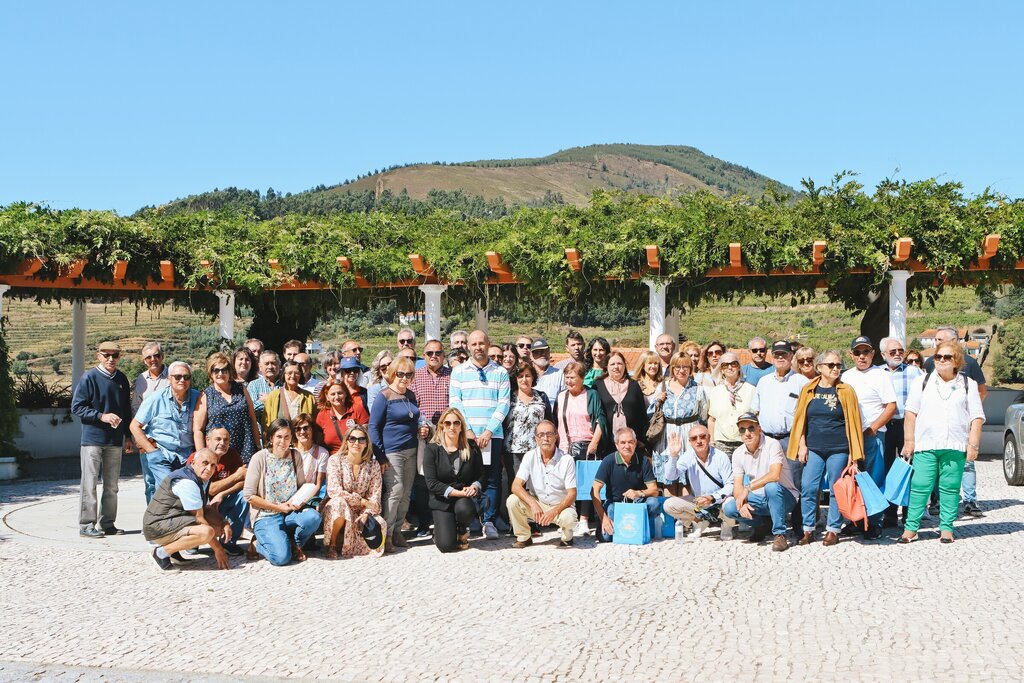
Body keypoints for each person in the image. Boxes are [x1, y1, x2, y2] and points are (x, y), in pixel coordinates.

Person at [899, 341, 985, 544]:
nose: (941, 360)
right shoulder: (922, 381)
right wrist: (909, 441)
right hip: (926, 444)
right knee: (920, 485)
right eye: (938, 357)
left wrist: (973, 445)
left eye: (947, 357)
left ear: (956, 361)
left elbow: (977, 417)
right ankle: (911, 528)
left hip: (955, 444)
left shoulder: (968, 384)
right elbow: (910, 413)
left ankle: (946, 528)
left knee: (950, 487)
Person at [787, 350, 865, 546]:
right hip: (813, 447)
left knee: (836, 489)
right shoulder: (808, 390)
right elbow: (800, 421)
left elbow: (854, 423)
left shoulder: (846, 391)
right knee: (808, 487)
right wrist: (802, 444)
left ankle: (833, 529)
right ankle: (808, 529)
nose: (836, 368)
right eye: (831, 365)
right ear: (819, 368)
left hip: (839, 448)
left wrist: (853, 455)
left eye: (838, 365)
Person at [448, 330, 511, 540]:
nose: (478, 347)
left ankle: (489, 520)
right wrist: (468, 431)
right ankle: (471, 519)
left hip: (492, 435)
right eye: (473, 344)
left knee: (492, 479)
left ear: (488, 344)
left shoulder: (500, 372)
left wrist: (488, 431)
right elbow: (455, 403)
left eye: (481, 343)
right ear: (467, 346)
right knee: (466, 477)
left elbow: (504, 404)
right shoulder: (458, 372)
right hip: (466, 436)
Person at [922, 325, 988, 518]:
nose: (936, 343)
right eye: (935, 340)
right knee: (937, 461)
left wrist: (967, 410)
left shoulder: (970, 363)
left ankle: (969, 500)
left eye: (940, 340)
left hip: (962, 423)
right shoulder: (930, 363)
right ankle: (938, 501)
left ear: (954, 341)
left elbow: (982, 391)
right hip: (936, 424)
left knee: (967, 462)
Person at [71, 340, 131, 538]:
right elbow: (77, 407)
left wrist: (128, 436)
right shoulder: (89, 377)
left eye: (115, 355)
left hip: (115, 441)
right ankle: (87, 524)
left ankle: (108, 523)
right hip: (92, 440)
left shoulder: (122, 379)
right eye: (106, 355)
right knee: (89, 484)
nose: (111, 359)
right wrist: (101, 416)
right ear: (99, 356)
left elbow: (126, 411)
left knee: (112, 486)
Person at [243, 418, 321, 565]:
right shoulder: (259, 458)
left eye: (287, 437)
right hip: (267, 515)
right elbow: (249, 495)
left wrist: (301, 500)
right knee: (281, 558)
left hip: (290, 512)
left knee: (313, 517)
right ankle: (257, 544)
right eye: (279, 436)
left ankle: (294, 543)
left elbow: (301, 486)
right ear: (271, 437)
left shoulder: (295, 455)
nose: (283, 441)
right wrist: (278, 507)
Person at [840, 336, 896, 538]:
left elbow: (891, 406)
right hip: (850, 437)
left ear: (872, 354)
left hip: (872, 435)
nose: (861, 356)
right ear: (851, 355)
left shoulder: (880, 376)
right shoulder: (845, 376)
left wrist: (873, 428)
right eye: (857, 352)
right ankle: (856, 520)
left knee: (874, 479)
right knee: (853, 478)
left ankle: (874, 522)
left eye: (865, 352)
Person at [143, 448, 231, 571]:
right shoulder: (187, 482)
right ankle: (161, 553)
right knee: (207, 532)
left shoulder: (200, 477)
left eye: (213, 465)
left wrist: (224, 523)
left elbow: (205, 508)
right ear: (193, 463)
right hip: (157, 527)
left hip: (171, 520)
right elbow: (199, 519)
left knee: (218, 528)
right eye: (205, 463)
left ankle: (173, 550)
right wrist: (218, 549)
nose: (209, 469)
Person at [722, 413, 799, 551]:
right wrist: (742, 503)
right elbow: (738, 484)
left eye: (751, 428)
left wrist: (748, 488)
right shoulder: (738, 453)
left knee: (771, 487)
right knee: (730, 508)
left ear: (759, 429)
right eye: (742, 430)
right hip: (759, 498)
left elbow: (774, 475)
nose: (747, 433)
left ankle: (780, 535)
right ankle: (761, 525)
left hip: (784, 497)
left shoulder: (772, 444)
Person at [368, 356, 420, 551]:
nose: (404, 378)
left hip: (411, 450)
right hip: (391, 452)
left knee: (406, 493)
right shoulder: (384, 396)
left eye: (408, 374)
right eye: (400, 374)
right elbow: (373, 427)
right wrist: (380, 456)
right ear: (392, 374)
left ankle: (398, 531)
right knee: (394, 491)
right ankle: (386, 533)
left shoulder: (411, 396)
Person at [554, 361, 608, 537]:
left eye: (573, 378)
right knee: (567, 484)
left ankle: (584, 519)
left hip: (587, 443)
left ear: (582, 378)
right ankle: (567, 518)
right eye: (567, 377)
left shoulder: (591, 394)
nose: (569, 381)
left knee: (585, 484)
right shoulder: (562, 396)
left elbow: (600, 419)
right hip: (565, 445)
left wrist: (595, 442)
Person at [130, 361, 200, 495]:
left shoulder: (198, 398)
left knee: (190, 493)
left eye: (186, 377)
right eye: (177, 377)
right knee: (168, 492)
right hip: (163, 454)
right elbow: (134, 426)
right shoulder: (155, 398)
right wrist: (152, 451)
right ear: (169, 378)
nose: (182, 380)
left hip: (188, 456)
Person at [507, 420, 578, 548]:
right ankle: (524, 537)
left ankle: (567, 536)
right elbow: (516, 486)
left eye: (549, 434)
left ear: (556, 436)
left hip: (560, 506)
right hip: (539, 504)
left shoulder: (567, 460)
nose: (545, 438)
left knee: (569, 517)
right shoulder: (529, 456)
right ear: (536, 438)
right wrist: (533, 503)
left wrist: (554, 511)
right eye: (541, 435)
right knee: (512, 501)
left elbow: (572, 493)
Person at [423, 408, 484, 552]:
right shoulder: (432, 449)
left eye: (456, 423)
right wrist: (457, 493)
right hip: (441, 500)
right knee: (446, 546)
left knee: (465, 510)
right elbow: (431, 483)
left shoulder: (471, 446)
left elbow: (481, 474)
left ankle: (462, 530)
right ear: (442, 426)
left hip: (463, 501)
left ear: (461, 426)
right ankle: (441, 530)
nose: (452, 427)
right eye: (448, 423)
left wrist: (474, 486)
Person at [879, 336, 924, 526]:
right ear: (883, 355)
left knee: (910, 469)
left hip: (907, 424)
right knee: (887, 469)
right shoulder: (877, 373)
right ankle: (889, 514)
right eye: (892, 352)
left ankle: (908, 514)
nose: (898, 354)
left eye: (900, 351)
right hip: (884, 426)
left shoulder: (915, 372)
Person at [322, 425, 386, 559]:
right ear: (346, 441)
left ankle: (349, 544)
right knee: (339, 504)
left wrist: (366, 513)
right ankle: (332, 545)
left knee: (379, 523)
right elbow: (334, 490)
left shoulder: (372, 465)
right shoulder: (335, 460)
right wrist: (361, 501)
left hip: (362, 510)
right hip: (340, 506)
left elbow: (375, 495)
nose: (357, 443)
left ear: (366, 443)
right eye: (353, 439)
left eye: (361, 440)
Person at [410, 339, 452, 536]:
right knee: (423, 479)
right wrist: (421, 426)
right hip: (424, 433)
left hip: (447, 433)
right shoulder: (416, 377)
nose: (434, 356)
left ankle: (444, 520)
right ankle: (424, 523)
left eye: (437, 353)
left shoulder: (453, 376)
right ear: (423, 356)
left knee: (446, 476)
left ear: (444, 355)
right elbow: (411, 406)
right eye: (429, 353)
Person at [662, 426, 735, 538]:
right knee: (669, 505)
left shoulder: (721, 457)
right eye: (694, 438)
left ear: (709, 438)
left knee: (730, 502)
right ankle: (699, 521)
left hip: (719, 500)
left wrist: (712, 497)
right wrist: (673, 455)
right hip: (700, 502)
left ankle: (726, 525)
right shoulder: (687, 456)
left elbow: (730, 485)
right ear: (690, 442)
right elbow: (671, 476)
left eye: (702, 437)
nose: (699, 441)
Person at [591, 428, 660, 543]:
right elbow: (594, 491)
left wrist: (639, 493)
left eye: (630, 442)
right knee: (606, 537)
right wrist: (604, 518)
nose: (627, 446)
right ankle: (615, 525)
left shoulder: (643, 461)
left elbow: (654, 490)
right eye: (623, 442)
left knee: (653, 503)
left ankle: (640, 528)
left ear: (635, 443)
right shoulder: (608, 461)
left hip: (637, 503)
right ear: (616, 445)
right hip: (615, 504)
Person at [187, 425, 247, 556]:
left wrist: (222, 493)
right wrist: (236, 476)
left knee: (244, 496)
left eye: (226, 440)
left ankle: (229, 542)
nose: (222, 443)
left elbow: (243, 481)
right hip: (199, 507)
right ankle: (193, 541)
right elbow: (212, 488)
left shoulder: (232, 455)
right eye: (218, 439)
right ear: (208, 440)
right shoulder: (196, 458)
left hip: (221, 503)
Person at [193, 353, 261, 465]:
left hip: (245, 448)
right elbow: (198, 430)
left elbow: (252, 419)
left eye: (224, 370)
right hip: (218, 451)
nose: (220, 374)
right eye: (216, 370)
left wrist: (258, 446)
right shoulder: (206, 395)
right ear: (211, 373)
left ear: (230, 371)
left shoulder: (241, 389)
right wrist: (201, 454)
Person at [652, 353, 708, 489]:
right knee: (668, 482)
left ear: (690, 368)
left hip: (689, 437)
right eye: (677, 367)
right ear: (672, 368)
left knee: (688, 483)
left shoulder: (698, 389)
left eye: (685, 367)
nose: (681, 370)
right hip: (667, 438)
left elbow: (704, 416)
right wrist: (658, 400)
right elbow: (652, 412)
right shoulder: (663, 387)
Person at [751, 341, 808, 451]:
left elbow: (806, 417)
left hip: (791, 440)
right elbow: (755, 411)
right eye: (777, 355)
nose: (780, 358)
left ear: (791, 356)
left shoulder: (801, 382)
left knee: (793, 469)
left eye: (784, 354)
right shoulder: (763, 382)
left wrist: (802, 444)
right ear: (772, 357)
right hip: (766, 440)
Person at [131, 341, 169, 502]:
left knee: (170, 481)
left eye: (156, 355)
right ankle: (152, 522)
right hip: (147, 439)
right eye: (148, 357)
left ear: (163, 356)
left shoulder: (173, 375)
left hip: (169, 437)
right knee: (150, 482)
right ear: (144, 360)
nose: (153, 359)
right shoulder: (140, 380)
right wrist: (136, 438)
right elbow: (135, 408)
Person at [594, 351, 649, 452]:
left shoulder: (634, 385)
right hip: (607, 442)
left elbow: (641, 414)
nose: (616, 367)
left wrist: (641, 439)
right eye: (612, 364)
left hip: (631, 443)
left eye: (619, 364)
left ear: (624, 366)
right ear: (606, 366)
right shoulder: (598, 385)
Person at [504, 363, 553, 476]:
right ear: (515, 378)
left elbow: (550, 421)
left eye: (527, 376)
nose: (524, 379)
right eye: (520, 376)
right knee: (516, 485)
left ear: (533, 378)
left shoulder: (541, 397)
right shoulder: (508, 397)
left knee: (537, 485)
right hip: (513, 450)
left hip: (537, 449)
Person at [706, 352, 755, 456]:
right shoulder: (716, 391)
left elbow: (756, 418)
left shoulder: (751, 390)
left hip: (744, 441)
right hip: (721, 443)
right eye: (725, 365)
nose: (730, 367)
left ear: (739, 367)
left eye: (733, 364)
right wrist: (712, 442)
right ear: (721, 369)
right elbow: (712, 419)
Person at [261, 360, 317, 433]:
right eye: (289, 373)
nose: (293, 376)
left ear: (300, 375)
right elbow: (266, 424)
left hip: (301, 441)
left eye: (296, 373)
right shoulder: (273, 396)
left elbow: (314, 424)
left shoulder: (309, 397)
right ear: (284, 375)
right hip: (280, 442)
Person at [316, 379, 368, 455]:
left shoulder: (357, 410)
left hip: (356, 458)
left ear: (346, 394)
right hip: (333, 462)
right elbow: (318, 442)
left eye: (340, 393)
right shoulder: (322, 415)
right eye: (333, 394)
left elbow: (367, 436)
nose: (337, 397)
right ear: (327, 397)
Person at [292, 413, 328, 502]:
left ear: (312, 430)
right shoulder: (288, 452)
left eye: (306, 428)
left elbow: (318, 485)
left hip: (308, 498)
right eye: (298, 429)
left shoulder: (322, 453)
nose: (302, 432)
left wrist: (302, 502)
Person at [530, 338, 565, 411]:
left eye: (545, 351)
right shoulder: (525, 375)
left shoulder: (560, 374)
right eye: (538, 352)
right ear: (531, 356)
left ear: (549, 353)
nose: (542, 354)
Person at [246, 350, 281, 421]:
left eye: (273, 363)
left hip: (282, 430)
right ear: (260, 367)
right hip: (261, 430)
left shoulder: (286, 384)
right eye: (267, 364)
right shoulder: (254, 385)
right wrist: (277, 402)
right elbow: (252, 410)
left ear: (279, 365)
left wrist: (269, 399)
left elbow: (289, 407)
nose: (270, 366)